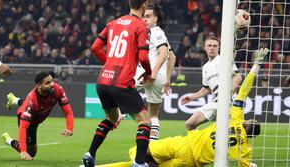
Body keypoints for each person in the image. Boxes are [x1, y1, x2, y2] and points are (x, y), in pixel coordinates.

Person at [94, 48, 268, 167]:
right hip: (191, 162)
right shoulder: (244, 148)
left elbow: (243, 91)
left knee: (137, 153)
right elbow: (245, 164)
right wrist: (249, 163)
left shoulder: (236, 120)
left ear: (246, 124)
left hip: (182, 144)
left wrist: (255, 67)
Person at [82, 0, 153, 167]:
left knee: (111, 119)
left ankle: (89, 155)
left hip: (103, 81)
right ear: (145, 5)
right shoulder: (140, 25)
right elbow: (143, 57)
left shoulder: (113, 23)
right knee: (145, 121)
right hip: (121, 82)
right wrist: (148, 73)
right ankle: (140, 163)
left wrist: (110, 63)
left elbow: (95, 47)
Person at [2, 71, 74, 160]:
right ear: (38, 85)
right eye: (47, 83)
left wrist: (69, 128)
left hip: (37, 116)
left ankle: (14, 100)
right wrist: (23, 150)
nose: (52, 84)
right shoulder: (31, 101)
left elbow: (68, 112)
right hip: (30, 121)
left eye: (52, 80)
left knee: (35, 107)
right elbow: (23, 127)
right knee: (30, 153)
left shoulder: (57, 89)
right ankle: (8, 140)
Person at [181, 36, 243, 130]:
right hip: (215, 102)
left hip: (229, 102)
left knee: (229, 132)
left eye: (215, 46)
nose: (212, 48)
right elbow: (207, 88)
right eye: (209, 45)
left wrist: (228, 93)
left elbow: (238, 77)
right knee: (190, 124)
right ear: (205, 48)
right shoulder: (205, 67)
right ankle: (199, 144)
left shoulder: (224, 59)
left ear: (218, 48)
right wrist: (192, 97)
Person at [134, 2, 176, 140]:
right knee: (153, 115)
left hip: (148, 74)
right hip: (159, 79)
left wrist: (153, 72)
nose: (144, 19)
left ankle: (120, 113)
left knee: (120, 90)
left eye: (148, 16)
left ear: (155, 19)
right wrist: (168, 80)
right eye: (143, 16)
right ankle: (152, 146)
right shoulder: (160, 34)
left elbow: (164, 53)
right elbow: (172, 57)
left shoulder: (155, 32)